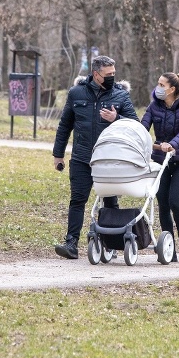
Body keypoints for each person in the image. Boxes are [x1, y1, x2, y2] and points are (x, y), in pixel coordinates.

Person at [52, 56, 138, 259]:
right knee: (77, 200)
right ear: (96, 74)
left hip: (108, 159)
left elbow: (137, 125)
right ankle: (71, 243)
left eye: (114, 74)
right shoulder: (76, 93)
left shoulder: (120, 96)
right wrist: (58, 154)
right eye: (108, 74)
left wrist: (117, 118)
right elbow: (65, 125)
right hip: (82, 157)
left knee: (110, 202)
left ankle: (112, 245)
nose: (112, 77)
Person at [141, 72, 179, 261]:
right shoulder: (154, 105)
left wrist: (172, 144)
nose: (158, 88)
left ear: (172, 89)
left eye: (162, 85)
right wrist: (138, 136)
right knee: (163, 203)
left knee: (175, 202)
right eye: (158, 84)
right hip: (159, 161)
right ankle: (167, 246)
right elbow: (143, 126)